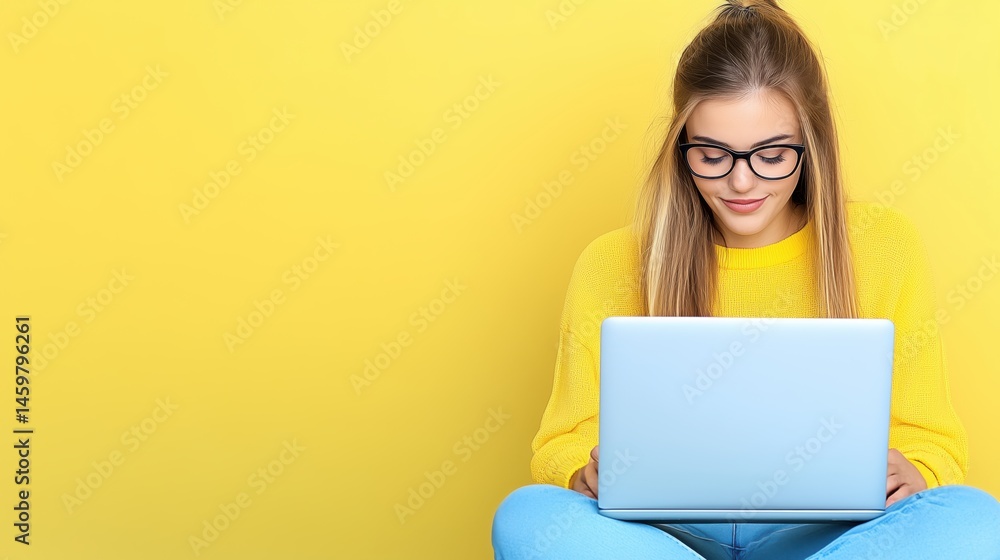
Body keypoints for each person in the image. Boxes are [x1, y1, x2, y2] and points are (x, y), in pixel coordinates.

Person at [491, 1, 1000, 558]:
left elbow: (932, 438)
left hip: (828, 535)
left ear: (812, 145)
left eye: (772, 155)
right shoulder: (610, 263)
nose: (741, 182)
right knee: (526, 516)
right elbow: (562, 440)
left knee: (975, 520)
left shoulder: (883, 247)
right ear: (681, 146)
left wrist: (917, 470)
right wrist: (582, 472)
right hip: (662, 536)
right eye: (712, 155)